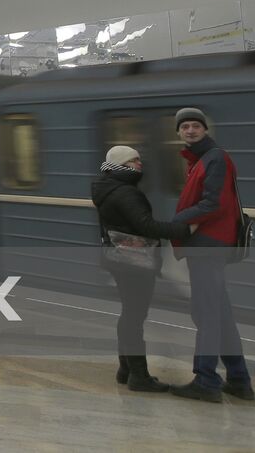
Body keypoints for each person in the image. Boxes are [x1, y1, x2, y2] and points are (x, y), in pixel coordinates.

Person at [169, 107, 253, 403]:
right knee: (220, 314)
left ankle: (206, 380)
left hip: (208, 246)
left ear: (205, 130)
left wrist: (176, 222)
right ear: (178, 132)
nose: (190, 130)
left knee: (205, 313)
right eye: (185, 127)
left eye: (196, 126)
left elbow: (212, 203)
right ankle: (240, 379)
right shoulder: (200, 159)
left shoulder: (215, 158)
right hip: (207, 244)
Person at [91, 144, 192, 391]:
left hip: (119, 259)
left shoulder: (107, 187)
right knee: (135, 317)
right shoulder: (126, 192)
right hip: (135, 262)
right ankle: (138, 376)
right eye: (133, 161)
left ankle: (126, 369)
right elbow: (146, 226)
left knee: (129, 314)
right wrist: (185, 230)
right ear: (121, 165)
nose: (139, 164)